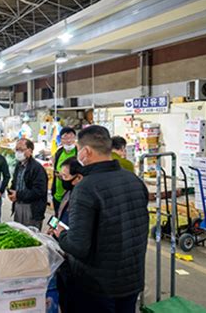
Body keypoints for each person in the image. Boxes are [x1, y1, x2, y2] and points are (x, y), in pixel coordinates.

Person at [54, 125, 149, 313]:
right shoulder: (134, 181)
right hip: (132, 280)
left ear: (86, 152)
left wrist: (62, 234)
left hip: (97, 286)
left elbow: (78, 246)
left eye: (79, 149)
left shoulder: (85, 188)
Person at [53, 157, 83, 313]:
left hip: (73, 253)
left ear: (78, 177)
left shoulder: (84, 197)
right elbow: (60, 215)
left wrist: (62, 234)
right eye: (60, 176)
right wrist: (52, 227)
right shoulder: (69, 192)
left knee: (73, 296)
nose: (62, 181)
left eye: (65, 177)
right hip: (63, 247)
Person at [8, 139, 48, 230]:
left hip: (31, 208)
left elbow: (39, 191)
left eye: (21, 149)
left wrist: (18, 194)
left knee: (31, 234)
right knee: (18, 232)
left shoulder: (37, 168)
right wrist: (11, 192)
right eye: (17, 149)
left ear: (30, 151)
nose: (18, 152)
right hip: (18, 204)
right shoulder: (18, 165)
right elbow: (15, 182)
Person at [51, 127, 78, 216]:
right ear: (61, 140)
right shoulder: (59, 153)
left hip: (72, 196)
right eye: (65, 138)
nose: (69, 141)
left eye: (71, 137)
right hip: (57, 195)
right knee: (57, 218)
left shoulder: (79, 153)